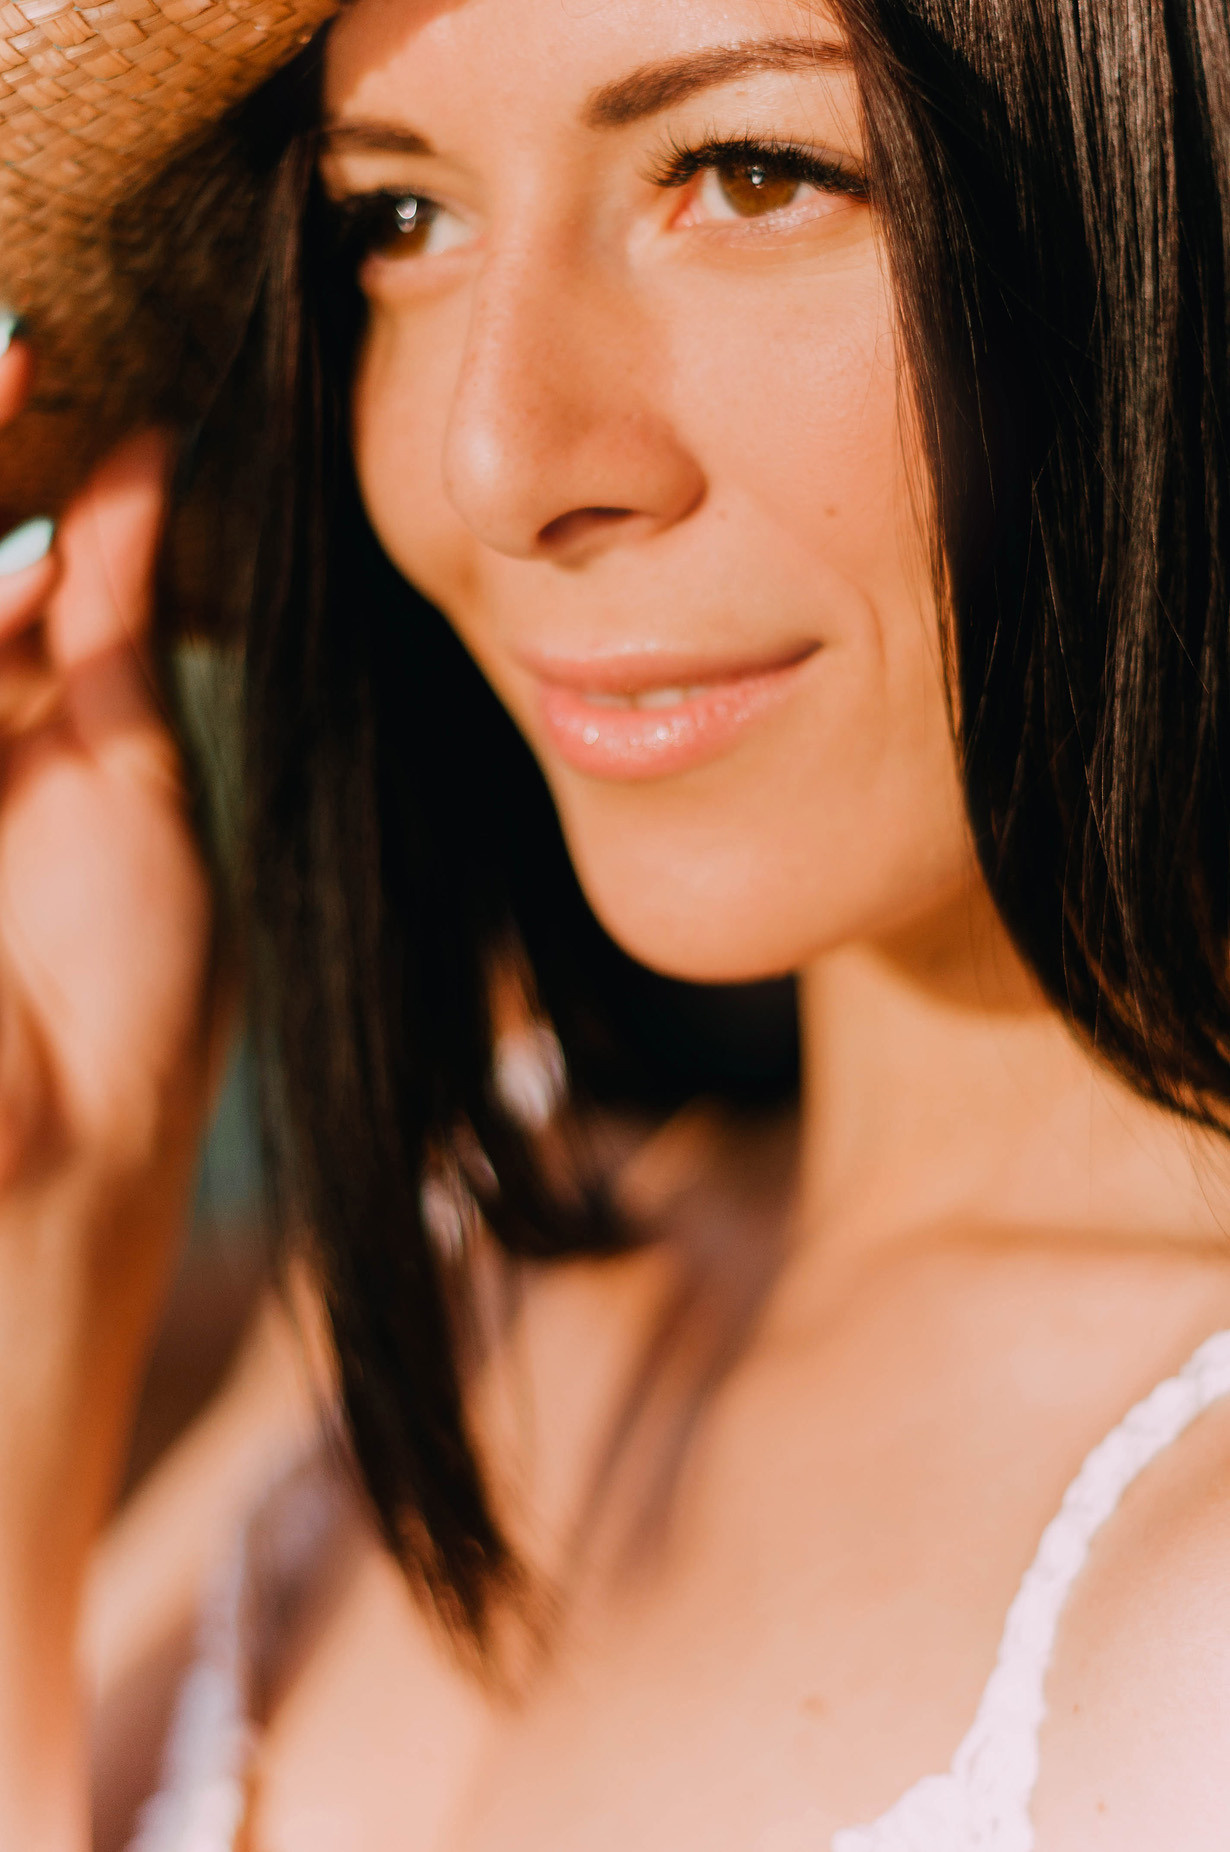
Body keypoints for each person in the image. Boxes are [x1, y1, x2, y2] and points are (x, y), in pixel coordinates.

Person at [2, 0, 1230, 1845]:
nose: (497, 461)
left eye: (752, 175)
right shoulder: (449, 1276)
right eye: (397, 221)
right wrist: (52, 1236)